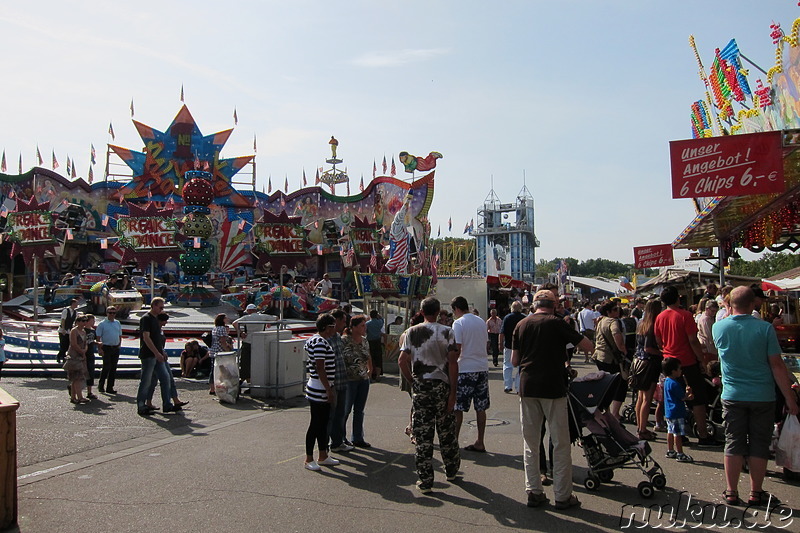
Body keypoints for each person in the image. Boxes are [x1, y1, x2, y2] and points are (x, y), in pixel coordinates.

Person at [712, 286, 799, 507]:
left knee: (733, 442)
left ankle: (731, 491)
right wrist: (790, 398)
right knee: (759, 444)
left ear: (730, 304)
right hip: (762, 394)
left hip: (732, 394)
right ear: (753, 305)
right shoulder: (765, 329)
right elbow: (777, 365)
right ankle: (756, 492)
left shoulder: (718, 328)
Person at [512, 290, 593, 510]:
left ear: (535, 304)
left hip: (527, 387)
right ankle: (563, 495)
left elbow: (514, 359)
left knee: (530, 442)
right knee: (560, 442)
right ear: (554, 305)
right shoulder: (557, 323)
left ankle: (534, 490)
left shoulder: (522, 325)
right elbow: (587, 345)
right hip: (553, 387)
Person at [398, 297, 461, 494]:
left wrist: (412, 380)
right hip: (441, 384)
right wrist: (453, 391)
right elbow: (453, 363)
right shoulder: (447, 332)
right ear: (437, 312)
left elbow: (402, 360)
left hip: (421, 386)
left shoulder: (412, 332)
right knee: (446, 431)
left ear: (422, 312)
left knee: (423, 435)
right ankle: (451, 469)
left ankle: (425, 480)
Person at [654, 285, 716, 447]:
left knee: (673, 399)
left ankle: (678, 434)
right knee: (697, 400)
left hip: (668, 361)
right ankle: (703, 434)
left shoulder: (660, 317)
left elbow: (659, 341)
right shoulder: (685, 315)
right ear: (677, 298)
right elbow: (693, 341)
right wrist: (702, 360)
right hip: (687, 362)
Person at [451, 296, 490, 453]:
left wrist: (451, 364)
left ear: (457, 309)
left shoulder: (459, 323)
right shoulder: (480, 321)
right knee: (480, 407)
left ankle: (454, 442)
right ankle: (480, 441)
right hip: (482, 367)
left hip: (465, 368)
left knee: (458, 408)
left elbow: (457, 347)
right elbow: (486, 343)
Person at [303, 313, 340, 471]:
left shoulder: (316, 339)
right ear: (326, 327)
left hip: (318, 385)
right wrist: (328, 389)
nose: (335, 329)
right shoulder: (319, 342)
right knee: (317, 423)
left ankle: (323, 454)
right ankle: (309, 457)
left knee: (323, 423)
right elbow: (320, 367)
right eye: (332, 326)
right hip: (319, 387)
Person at [136, 297, 176, 416]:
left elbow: (157, 338)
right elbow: (146, 338)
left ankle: (167, 404)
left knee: (165, 378)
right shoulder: (146, 318)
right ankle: (141, 405)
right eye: (160, 307)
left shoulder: (155, 319)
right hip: (148, 355)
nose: (162, 310)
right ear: (153, 306)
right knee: (146, 381)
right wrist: (156, 353)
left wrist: (161, 351)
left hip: (157, 355)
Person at [629, 299, 663, 441]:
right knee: (647, 399)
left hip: (638, 362)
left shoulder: (641, 324)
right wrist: (662, 352)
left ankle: (640, 426)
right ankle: (643, 429)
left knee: (641, 397)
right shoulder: (652, 325)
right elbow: (648, 348)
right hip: (649, 364)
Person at [591, 300, 629, 421]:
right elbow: (617, 336)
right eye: (615, 310)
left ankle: (604, 411)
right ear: (609, 312)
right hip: (611, 358)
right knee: (620, 384)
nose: (618, 311)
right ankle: (614, 413)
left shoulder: (600, 320)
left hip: (600, 356)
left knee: (605, 384)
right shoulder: (613, 322)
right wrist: (623, 349)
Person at [145, 313, 188, 411]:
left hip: (161, 356)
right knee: (161, 380)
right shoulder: (153, 330)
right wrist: (159, 353)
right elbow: (153, 343)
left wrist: (163, 351)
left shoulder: (160, 330)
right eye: (164, 321)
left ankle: (175, 400)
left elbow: (160, 344)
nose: (165, 323)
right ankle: (160, 403)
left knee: (168, 379)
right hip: (155, 357)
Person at [342, 314, 372, 447]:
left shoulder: (365, 340)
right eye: (362, 326)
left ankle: (357, 437)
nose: (364, 328)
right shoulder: (344, 341)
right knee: (345, 409)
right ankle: (340, 437)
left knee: (359, 410)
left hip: (363, 378)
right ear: (353, 327)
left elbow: (368, 355)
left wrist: (370, 369)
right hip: (349, 379)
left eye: (365, 325)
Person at [327, 309, 351, 452]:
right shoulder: (326, 338)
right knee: (331, 415)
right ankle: (331, 444)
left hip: (342, 380)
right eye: (343, 321)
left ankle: (338, 441)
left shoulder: (337, 336)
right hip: (333, 382)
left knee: (340, 413)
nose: (345, 324)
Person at [662, 357, 694, 463]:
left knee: (670, 431)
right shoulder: (675, 384)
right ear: (673, 371)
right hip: (676, 411)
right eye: (679, 369)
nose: (681, 371)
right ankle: (680, 453)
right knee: (678, 433)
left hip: (669, 411)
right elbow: (682, 397)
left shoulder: (666, 381)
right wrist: (688, 393)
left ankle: (670, 450)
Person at [232, 304, 268, 386]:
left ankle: (246, 380)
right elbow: (276, 318)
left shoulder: (247, 318)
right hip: (260, 341)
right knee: (258, 362)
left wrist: (240, 333)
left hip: (248, 341)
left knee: (245, 362)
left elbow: (235, 323)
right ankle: (252, 381)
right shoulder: (263, 317)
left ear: (249, 311)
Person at [499, 300, 526, 393]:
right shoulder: (524, 318)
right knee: (520, 366)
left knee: (507, 365)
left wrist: (500, 343)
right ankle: (518, 387)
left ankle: (508, 385)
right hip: (521, 346)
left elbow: (501, 332)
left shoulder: (507, 318)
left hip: (509, 345)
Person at [96, 306, 122, 394]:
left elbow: (119, 334)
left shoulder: (117, 323)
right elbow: (98, 337)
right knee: (106, 367)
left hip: (115, 347)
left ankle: (110, 387)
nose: (112, 314)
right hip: (106, 347)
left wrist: (119, 344)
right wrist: (99, 349)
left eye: (113, 313)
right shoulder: (102, 324)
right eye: (110, 313)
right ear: (106, 313)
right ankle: (101, 385)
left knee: (113, 368)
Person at [64, 315, 90, 404]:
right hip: (74, 356)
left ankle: (73, 397)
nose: (84, 323)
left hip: (81, 356)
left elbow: (85, 343)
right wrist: (81, 351)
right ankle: (79, 397)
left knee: (79, 377)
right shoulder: (74, 331)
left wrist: (84, 351)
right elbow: (74, 344)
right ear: (78, 322)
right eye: (83, 321)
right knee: (76, 377)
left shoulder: (84, 331)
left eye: (86, 321)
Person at [208, 313, 232, 394]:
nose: (227, 319)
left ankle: (212, 388)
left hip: (213, 351)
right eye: (226, 318)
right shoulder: (222, 329)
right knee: (222, 370)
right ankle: (222, 386)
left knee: (213, 369)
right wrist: (227, 350)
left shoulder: (215, 328)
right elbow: (223, 341)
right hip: (220, 352)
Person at [696, 298, 719, 367]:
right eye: (712, 311)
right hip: (708, 348)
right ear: (707, 309)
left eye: (715, 311)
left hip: (711, 349)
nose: (714, 313)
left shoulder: (710, 318)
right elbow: (709, 335)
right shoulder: (705, 320)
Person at [57, 299, 79, 363]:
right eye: (76, 303)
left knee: (67, 345)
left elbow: (75, 322)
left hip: (69, 330)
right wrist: (63, 329)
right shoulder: (65, 311)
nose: (77, 305)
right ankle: (60, 356)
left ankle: (63, 357)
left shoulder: (75, 312)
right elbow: (63, 320)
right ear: (72, 304)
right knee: (63, 344)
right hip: (63, 330)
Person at [365, 310, 385, 381]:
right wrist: (379, 316)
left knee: (370, 358)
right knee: (378, 358)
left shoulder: (367, 323)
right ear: (376, 315)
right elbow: (382, 320)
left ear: (370, 315)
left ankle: (370, 375)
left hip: (370, 341)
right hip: (377, 341)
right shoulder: (379, 322)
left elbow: (365, 331)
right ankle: (378, 375)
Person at [83, 314, 98, 400]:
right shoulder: (83, 330)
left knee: (90, 372)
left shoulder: (93, 331)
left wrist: (98, 344)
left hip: (91, 353)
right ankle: (75, 388)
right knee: (81, 372)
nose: (94, 322)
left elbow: (93, 341)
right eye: (92, 320)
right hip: (83, 353)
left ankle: (89, 391)